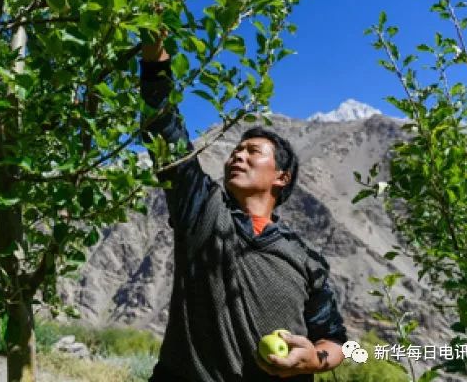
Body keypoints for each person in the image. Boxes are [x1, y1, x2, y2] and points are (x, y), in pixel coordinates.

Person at [139, 33, 348, 382]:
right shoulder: (201, 210)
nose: (238, 154)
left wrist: (314, 358)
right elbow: (163, 126)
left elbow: (342, 343)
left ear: (281, 177)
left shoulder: (306, 259)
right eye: (237, 150)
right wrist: (154, 55)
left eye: (253, 151)